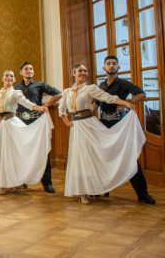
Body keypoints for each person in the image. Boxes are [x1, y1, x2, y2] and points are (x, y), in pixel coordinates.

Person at [59, 64, 144, 204]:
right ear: (73, 73)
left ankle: (94, 188)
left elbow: (108, 97)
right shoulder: (66, 91)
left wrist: (126, 103)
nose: (83, 73)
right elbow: (61, 109)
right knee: (79, 157)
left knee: (92, 156)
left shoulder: (90, 88)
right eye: (80, 71)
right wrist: (65, 120)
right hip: (76, 126)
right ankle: (83, 192)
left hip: (89, 123)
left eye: (85, 70)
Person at [92, 55, 155, 204]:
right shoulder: (101, 86)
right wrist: (83, 116)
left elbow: (141, 94)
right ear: (104, 68)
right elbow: (96, 104)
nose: (111, 66)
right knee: (103, 157)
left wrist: (128, 103)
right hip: (103, 125)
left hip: (119, 125)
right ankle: (103, 189)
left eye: (114, 64)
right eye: (108, 64)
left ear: (118, 67)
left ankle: (142, 193)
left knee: (129, 157)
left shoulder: (124, 84)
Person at [0, 70, 52, 195]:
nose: (9, 78)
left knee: (14, 154)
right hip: (3, 126)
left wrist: (39, 108)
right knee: (4, 154)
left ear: (14, 79)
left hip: (13, 124)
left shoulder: (16, 92)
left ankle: (15, 183)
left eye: (11, 76)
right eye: (7, 75)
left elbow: (26, 103)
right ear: (2, 78)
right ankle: (4, 184)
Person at [14, 61, 62, 193]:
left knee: (42, 151)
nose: (29, 71)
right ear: (21, 72)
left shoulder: (40, 85)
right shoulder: (16, 87)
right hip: (21, 123)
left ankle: (47, 183)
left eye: (31, 69)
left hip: (37, 123)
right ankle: (23, 180)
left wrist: (47, 105)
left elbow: (59, 94)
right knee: (23, 152)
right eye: (26, 69)